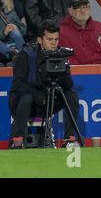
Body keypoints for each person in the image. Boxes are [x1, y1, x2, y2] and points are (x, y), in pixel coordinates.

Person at [8, 19, 80, 149]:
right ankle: (17, 139)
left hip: (48, 100)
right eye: (49, 39)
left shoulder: (60, 55)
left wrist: (62, 70)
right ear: (40, 40)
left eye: (56, 39)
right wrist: (37, 96)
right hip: (25, 102)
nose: (53, 43)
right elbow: (18, 83)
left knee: (72, 95)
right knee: (27, 96)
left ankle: (69, 139)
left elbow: (68, 85)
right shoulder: (26, 54)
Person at [59, 0, 101, 65]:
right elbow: (66, 58)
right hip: (77, 74)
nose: (82, 10)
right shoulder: (61, 30)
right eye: (78, 7)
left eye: (85, 7)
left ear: (89, 9)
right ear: (70, 11)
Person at [0, 0, 26, 66]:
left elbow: (23, 29)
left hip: (14, 40)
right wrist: (4, 33)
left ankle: (22, 55)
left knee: (15, 31)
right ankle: (13, 54)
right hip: (2, 44)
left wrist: (17, 28)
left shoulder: (10, 12)